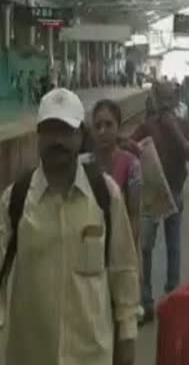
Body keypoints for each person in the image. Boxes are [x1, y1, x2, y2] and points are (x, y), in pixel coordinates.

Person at [0, 88, 139, 365]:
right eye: (49, 131)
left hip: (90, 354)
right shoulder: (15, 201)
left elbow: (124, 270)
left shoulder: (105, 196)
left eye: (65, 131)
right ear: (38, 137)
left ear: (80, 136)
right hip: (30, 354)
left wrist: (127, 336)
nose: (57, 141)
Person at [132, 81, 189, 322]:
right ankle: (147, 301)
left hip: (175, 193)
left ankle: (172, 297)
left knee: (173, 247)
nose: (167, 105)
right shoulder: (147, 126)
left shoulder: (182, 125)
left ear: (176, 100)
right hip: (151, 196)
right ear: (157, 100)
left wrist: (175, 131)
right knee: (147, 249)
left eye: (171, 100)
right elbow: (130, 148)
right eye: (164, 100)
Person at [88, 99, 142, 258]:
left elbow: (134, 215)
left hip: (118, 248)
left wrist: (130, 255)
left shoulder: (132, 165)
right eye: (97, 126)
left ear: (118, 127)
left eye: (108, 124)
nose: (102, 131)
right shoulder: (84, 165)